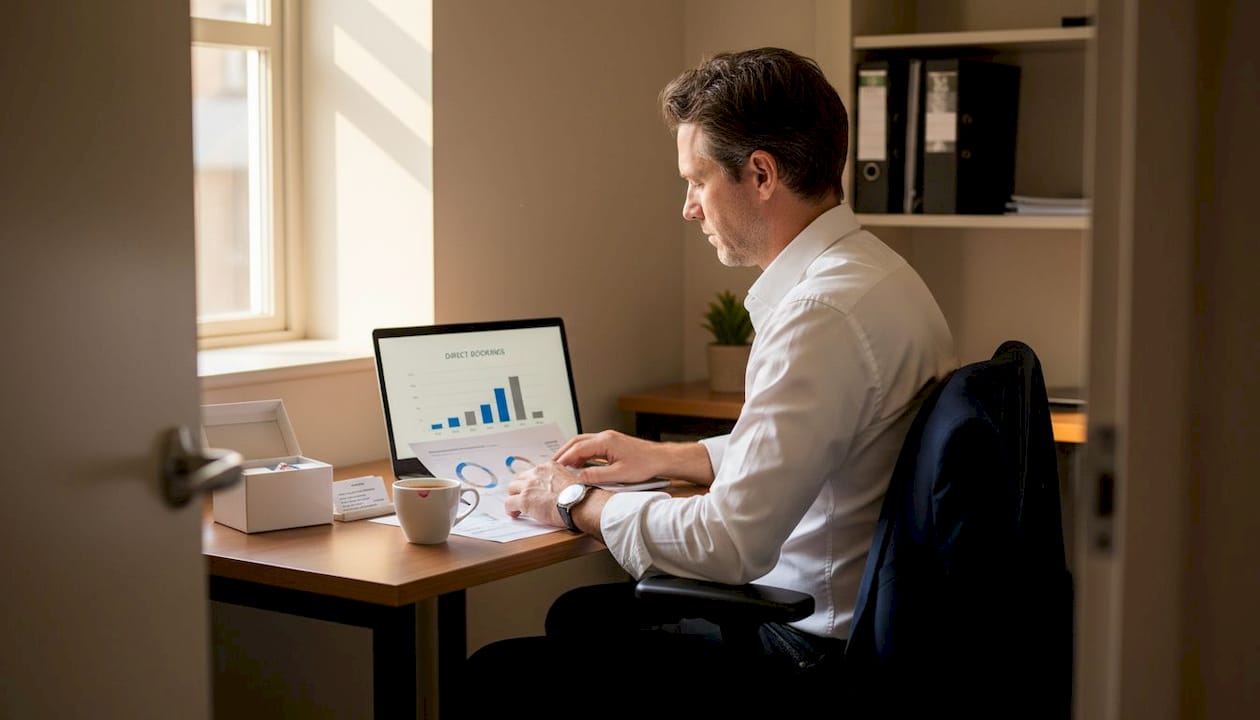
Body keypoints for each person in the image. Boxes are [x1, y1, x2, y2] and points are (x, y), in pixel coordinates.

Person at [460, 47, 956, 716]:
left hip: (810, 650)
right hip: (858, 619)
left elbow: (732, 543)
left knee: (497, 674)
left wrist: (577, 502)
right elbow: (814, 447)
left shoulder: (818, 315)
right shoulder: (880, 275)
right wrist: (669, 458)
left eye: (697, 181)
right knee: (580, 615)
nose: (689, 209)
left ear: (760, 175)